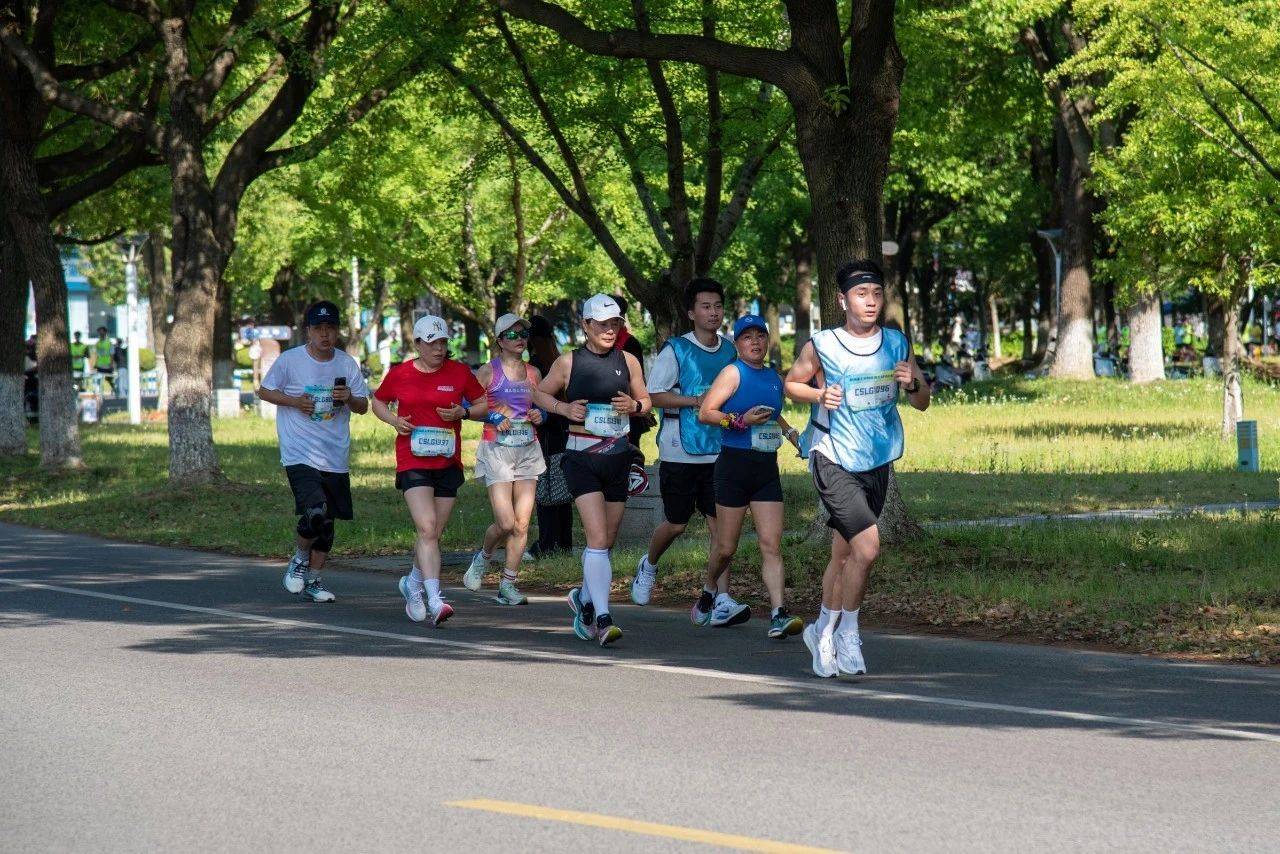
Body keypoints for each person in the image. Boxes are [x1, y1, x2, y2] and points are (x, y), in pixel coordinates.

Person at [785, 260, 930, 677]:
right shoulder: (823, 344)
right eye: (861, 294)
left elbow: (922, 401)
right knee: (868, 547)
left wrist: (912, 383)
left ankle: (820, 629)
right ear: (842, 300)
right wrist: (818, 396)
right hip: (832, 455)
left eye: (877, 294)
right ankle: (847, 631)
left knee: (845, 552)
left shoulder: (896, 343)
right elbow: (791, 383)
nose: (870, 302)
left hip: (876, 458)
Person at [533, 294, 652, 647]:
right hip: (580, 458)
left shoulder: (628, 360)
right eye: (601, 324)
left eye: (614, 323)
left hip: (617, 458)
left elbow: (647, 400)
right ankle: (603, 617)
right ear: (585, 325)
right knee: (597, 538)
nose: (609, 330)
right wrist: (563, 408)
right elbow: (539, 394)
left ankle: (583, 600)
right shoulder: (569, 362)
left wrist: (635, 405)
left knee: (607, 539)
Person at [631, 278, 750, 629]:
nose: (713, 313)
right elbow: (655, 395)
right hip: (680, 450)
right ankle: (648, 565)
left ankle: (720, 598)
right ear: (691, 312)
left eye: (717, 306)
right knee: (677, 523)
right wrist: (697, 400)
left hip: (720, 451)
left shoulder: (731, 351)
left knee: (722, 532)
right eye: (705, 306)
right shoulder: (676, 350)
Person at [372, 314, 488, 626]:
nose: (439, 348)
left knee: (434, 533)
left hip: (447, 461)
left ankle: (412, 584)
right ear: (418, 344)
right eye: (432, 343)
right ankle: (436, 599)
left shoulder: (459, 372)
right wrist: (395, 420)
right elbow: (378, 402)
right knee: (426, 527)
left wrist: (463, 411)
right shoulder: (401, 373)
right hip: (413, 460)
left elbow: (483, 405)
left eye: (443, 342)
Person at [697, 314, 805, 639]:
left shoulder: (773, 377)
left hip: (765, 468)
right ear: (738, 344)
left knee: (771, 545)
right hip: (733, 466)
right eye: (747, 337)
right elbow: (706, 412)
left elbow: (773, 413)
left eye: (760, 336)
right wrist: (738, 421)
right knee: (726, 547)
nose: (755, 342)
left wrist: (792, 434)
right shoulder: (733, 372)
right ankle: (707, 589)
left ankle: (778, 613)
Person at [256, 300, 370, 604]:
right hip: (299, 452)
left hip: (335, 454)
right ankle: (298, 560)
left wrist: (349, 398)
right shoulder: (290, 361)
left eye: (330, 328)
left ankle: (315, 581)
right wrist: (295, 402)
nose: (325, 334)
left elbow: (363, 406)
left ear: (337, 332)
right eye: (318, 328)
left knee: (328, 523)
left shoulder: (347, 364)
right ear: (308, 331)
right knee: (315, 511)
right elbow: (264, 391)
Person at [462, 313, 547, 605]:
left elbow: (543, 404)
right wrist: (493, 414)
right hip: (496, 450)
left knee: (522, 524)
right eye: (511, 335)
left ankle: (508, 584)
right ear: (499, 341)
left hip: (528, 449)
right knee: (506, 522)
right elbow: (466, 405)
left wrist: (541, 414)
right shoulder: (488, 372)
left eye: (523, 334)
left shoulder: (534, 373)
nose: (519, 339)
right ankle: (482, 558)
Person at [528, 315, 573, 557]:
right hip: (564, 433)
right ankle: (565, 544)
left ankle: (546, 545)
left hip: (544, 436)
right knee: (562, 494)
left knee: (544, 495)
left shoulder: (535, 367)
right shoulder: (559, 361)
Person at [93, 326, 115, 394]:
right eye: (99, 332)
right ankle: (99, 393)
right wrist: (95, 364)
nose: (100, 333)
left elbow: (112, 354)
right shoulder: (97, 343)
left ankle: (114, 391)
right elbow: (96, 354)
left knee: (109, 380)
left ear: (105, 332)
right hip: (100, 365)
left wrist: (111, 364)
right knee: (99, 380)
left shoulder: (109, 342)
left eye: (102, 332)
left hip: (108, 365)